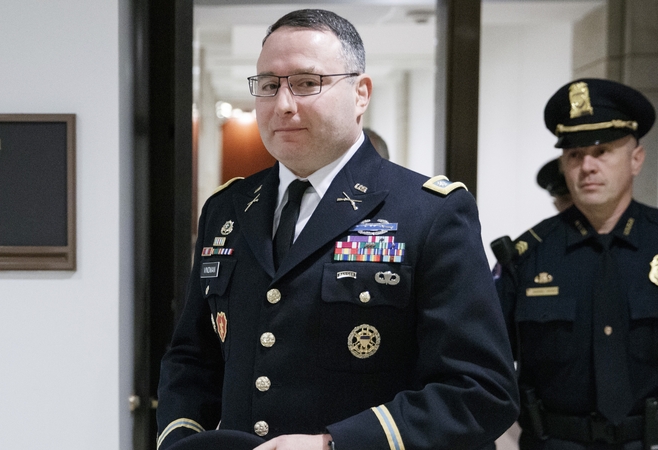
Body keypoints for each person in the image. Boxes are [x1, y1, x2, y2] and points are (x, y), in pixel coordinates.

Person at [157, 9, 519, 450]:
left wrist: (334, 445)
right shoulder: (228, 208)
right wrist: (181, 440)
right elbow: (193, 358)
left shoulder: (428, 213)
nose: (284, 104)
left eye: (307, 83)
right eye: (269, 86)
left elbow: (481, 391)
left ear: (360, 93)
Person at [495, 78, 658, 449]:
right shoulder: (528, 256)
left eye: (601, 152)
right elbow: (488, 365)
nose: (587, 166)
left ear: (636, 159)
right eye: (574, 155)